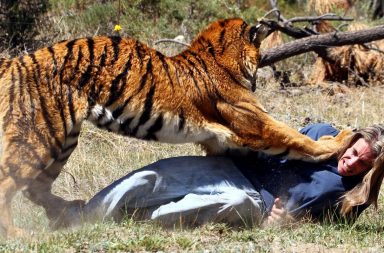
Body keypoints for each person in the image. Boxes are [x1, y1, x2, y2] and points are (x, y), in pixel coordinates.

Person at [72, 123, 384, 228]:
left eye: (362, 163)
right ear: (351, 140)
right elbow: (273, 142)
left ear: (371, 169)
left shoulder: (352, 194)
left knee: (226, 201)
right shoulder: (322, 134)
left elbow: (322, 225)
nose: (351, 162)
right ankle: (82, 218)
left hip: (254, 203)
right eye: (353, 152)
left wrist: (279, 223)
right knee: (156, 176)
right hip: (236, 169)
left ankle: (130, 220)